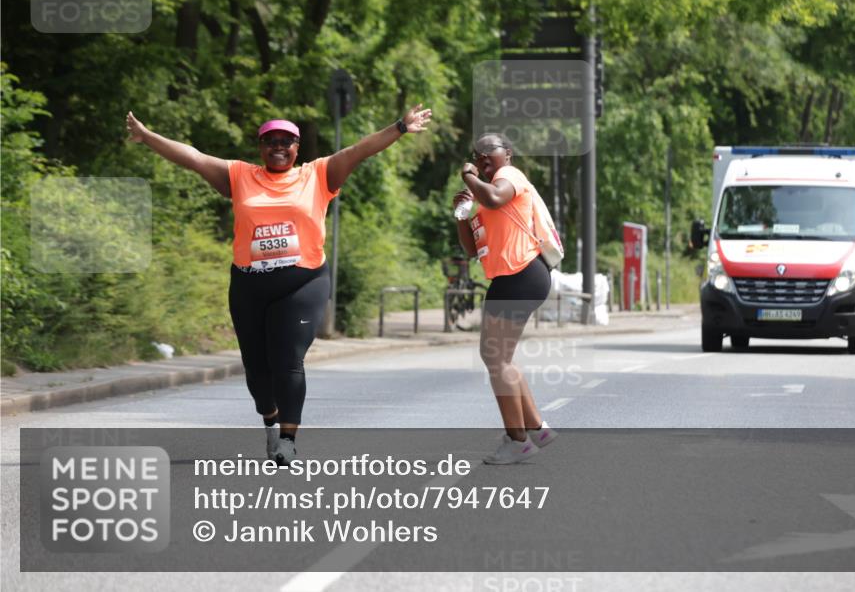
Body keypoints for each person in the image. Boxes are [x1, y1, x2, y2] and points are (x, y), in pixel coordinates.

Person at [126, 106, 433, 465]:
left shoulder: (317, 175)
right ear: (260, 147)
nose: (278, 147)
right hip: (249, 284)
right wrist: (147, 137)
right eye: (270, 141)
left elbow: (357, 150)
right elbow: (193, 158)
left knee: (288, 360)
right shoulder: (239, 175)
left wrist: (399, 127)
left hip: (303, 281)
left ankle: (288, 439)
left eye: (286, 142)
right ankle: (270, 421)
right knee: (256, 370)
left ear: (297, 148)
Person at [453, 133, 557, 465]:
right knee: (501, 358)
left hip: (520, 274)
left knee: (495, 358)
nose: (482, 156)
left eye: (489, 151)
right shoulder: (483, 196)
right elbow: (472, 249)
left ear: (507, 154)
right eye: (476, 154)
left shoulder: (508, 177)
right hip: (513, 277)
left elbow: (497, 198)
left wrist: (469, 174)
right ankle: (536, 428)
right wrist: (462, 215)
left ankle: (518, 440)